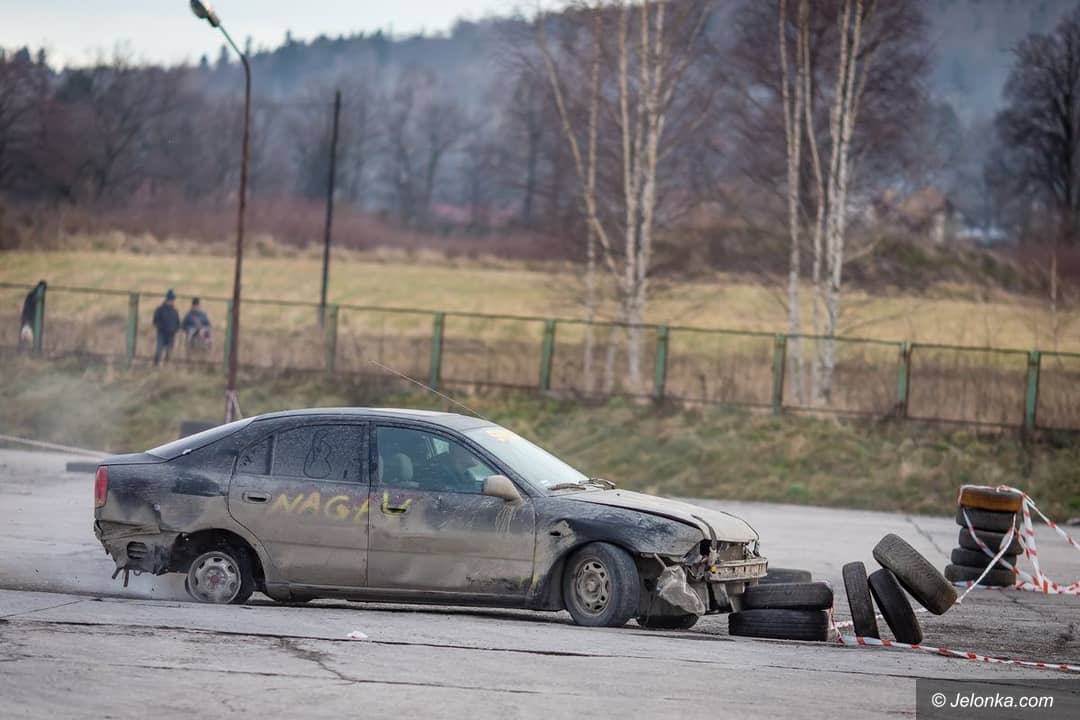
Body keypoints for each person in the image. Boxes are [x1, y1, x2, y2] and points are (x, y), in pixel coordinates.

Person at [152, 289, 181, 366]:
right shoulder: (160, 310)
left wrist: (175, 329)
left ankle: (166, 366)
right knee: (159, 350)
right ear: (167, 299)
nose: (171, 301)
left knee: (169, 352)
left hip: (171, 334)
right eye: (170, 299)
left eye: (172, 300)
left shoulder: (175, 311)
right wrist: (161, 327)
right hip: (162, 333)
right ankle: (155, 365)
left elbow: (178, 323)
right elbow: (155, 321)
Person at [17, 280, 46, 352]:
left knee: (27, 337)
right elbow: (28, 308)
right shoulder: (34, 295)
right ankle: (31, 351)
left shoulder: (32, 294)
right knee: (28, 337)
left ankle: (26, 351)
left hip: (30, 319)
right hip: (29, 319)